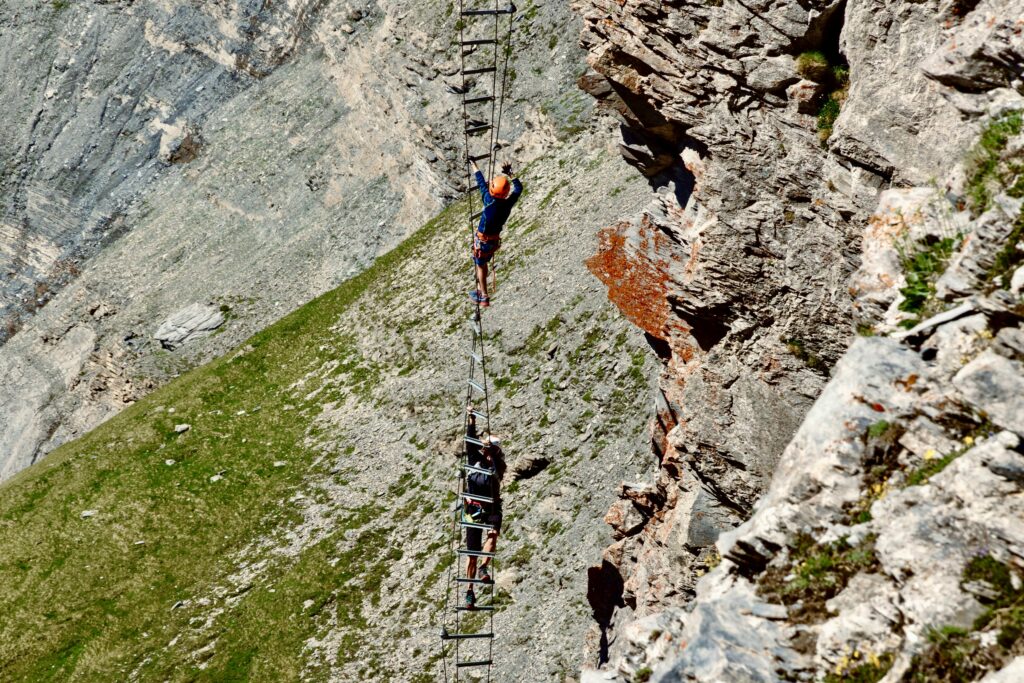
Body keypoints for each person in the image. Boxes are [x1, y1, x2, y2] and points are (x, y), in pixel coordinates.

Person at [463, 406, 505, 609]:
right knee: (471, 553)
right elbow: (470, 440)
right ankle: (470, 591)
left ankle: (484, 567)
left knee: (493, 535)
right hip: (474, 508)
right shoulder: (474, 459)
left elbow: (497, 461)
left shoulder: (498, 465)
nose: (487, 451)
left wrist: (491, 449)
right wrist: (471, 418)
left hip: (491, 507)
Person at [469, 159, 523, 307]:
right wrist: (510, 173)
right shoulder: (507, 204)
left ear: (492, 190)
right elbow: (518, 189)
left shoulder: (488, 200)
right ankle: (481, 291)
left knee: (479, 266)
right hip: (492, 242)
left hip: (483, 240)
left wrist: (474, 164)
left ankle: (484, 296)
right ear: (505, 193)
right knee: (484, 263)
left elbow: (480, 182)